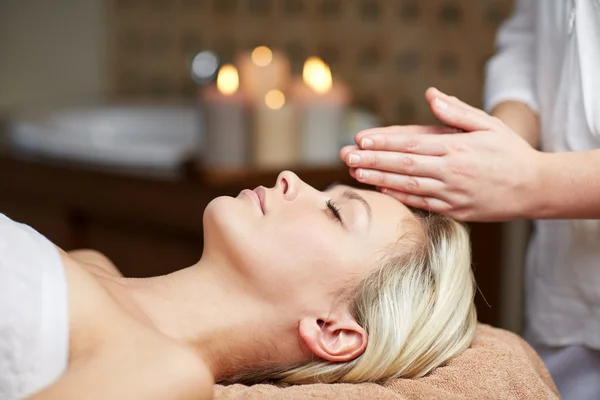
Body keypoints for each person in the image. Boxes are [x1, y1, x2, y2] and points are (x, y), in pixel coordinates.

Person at [0, 171, 477, 400]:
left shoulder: (164, 372)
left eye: (335, 212)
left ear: (333, 331)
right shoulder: (93, 264)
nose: (291, 179)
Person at [340, 1, 600, 398]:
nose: (287, 179)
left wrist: (534, 181)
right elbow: (534, 39)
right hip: (568, 297)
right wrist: (498, 142)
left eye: (337, 212)